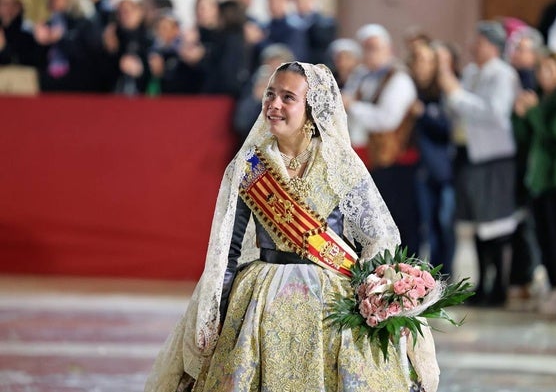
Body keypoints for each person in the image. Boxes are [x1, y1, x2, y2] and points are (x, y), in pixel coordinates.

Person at [144, 62, 440, 392]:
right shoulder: (250, 166)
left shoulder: (339, 164)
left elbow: (379, 236)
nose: (274, 105)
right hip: (260, 302)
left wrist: (374, 295)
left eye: (288, 97)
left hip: (330, 307)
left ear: (311, 107)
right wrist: (214, 317)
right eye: (270, 95)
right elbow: (226, 253)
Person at [439, 20, 519, 306]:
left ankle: (499, 286)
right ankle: (483, 284)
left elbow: (495, 113)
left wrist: (456, 94)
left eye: (479, 42)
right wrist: (452, 95)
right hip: (467, 151)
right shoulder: (473, 72)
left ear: (493, 46)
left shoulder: (502, 74)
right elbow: (457, 107)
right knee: (474, 222)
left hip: (492, 156)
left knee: (495, 224)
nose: (474, 46)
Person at [343, 23, 420, 257]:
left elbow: (387, 120)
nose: (369, 53)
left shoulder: (399, 79)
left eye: (375, 48)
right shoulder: (363, 76)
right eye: (366, 48)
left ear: (388, 49)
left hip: (393, 162)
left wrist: (353, 106)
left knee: (396, 221)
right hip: (367, 159)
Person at [513, 51, 556, 315]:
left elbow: (555, 131)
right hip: (540, 180)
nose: (545, 76)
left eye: (551, 70)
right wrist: (520, 115)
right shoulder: (541, 99)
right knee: (543, 236)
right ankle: (554, 285)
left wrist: (533, 113)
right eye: (542, 71)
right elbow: (526, 137)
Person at [408, 41, 456, 277]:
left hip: (441, 169)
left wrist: (424, 114)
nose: (422, 65)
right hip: (415, 168)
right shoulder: (409, 88)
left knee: (442, 225)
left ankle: (443, 278)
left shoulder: (443, 91)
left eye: (427, 60)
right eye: (418, 60)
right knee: (419, 226)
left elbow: (449, 129)